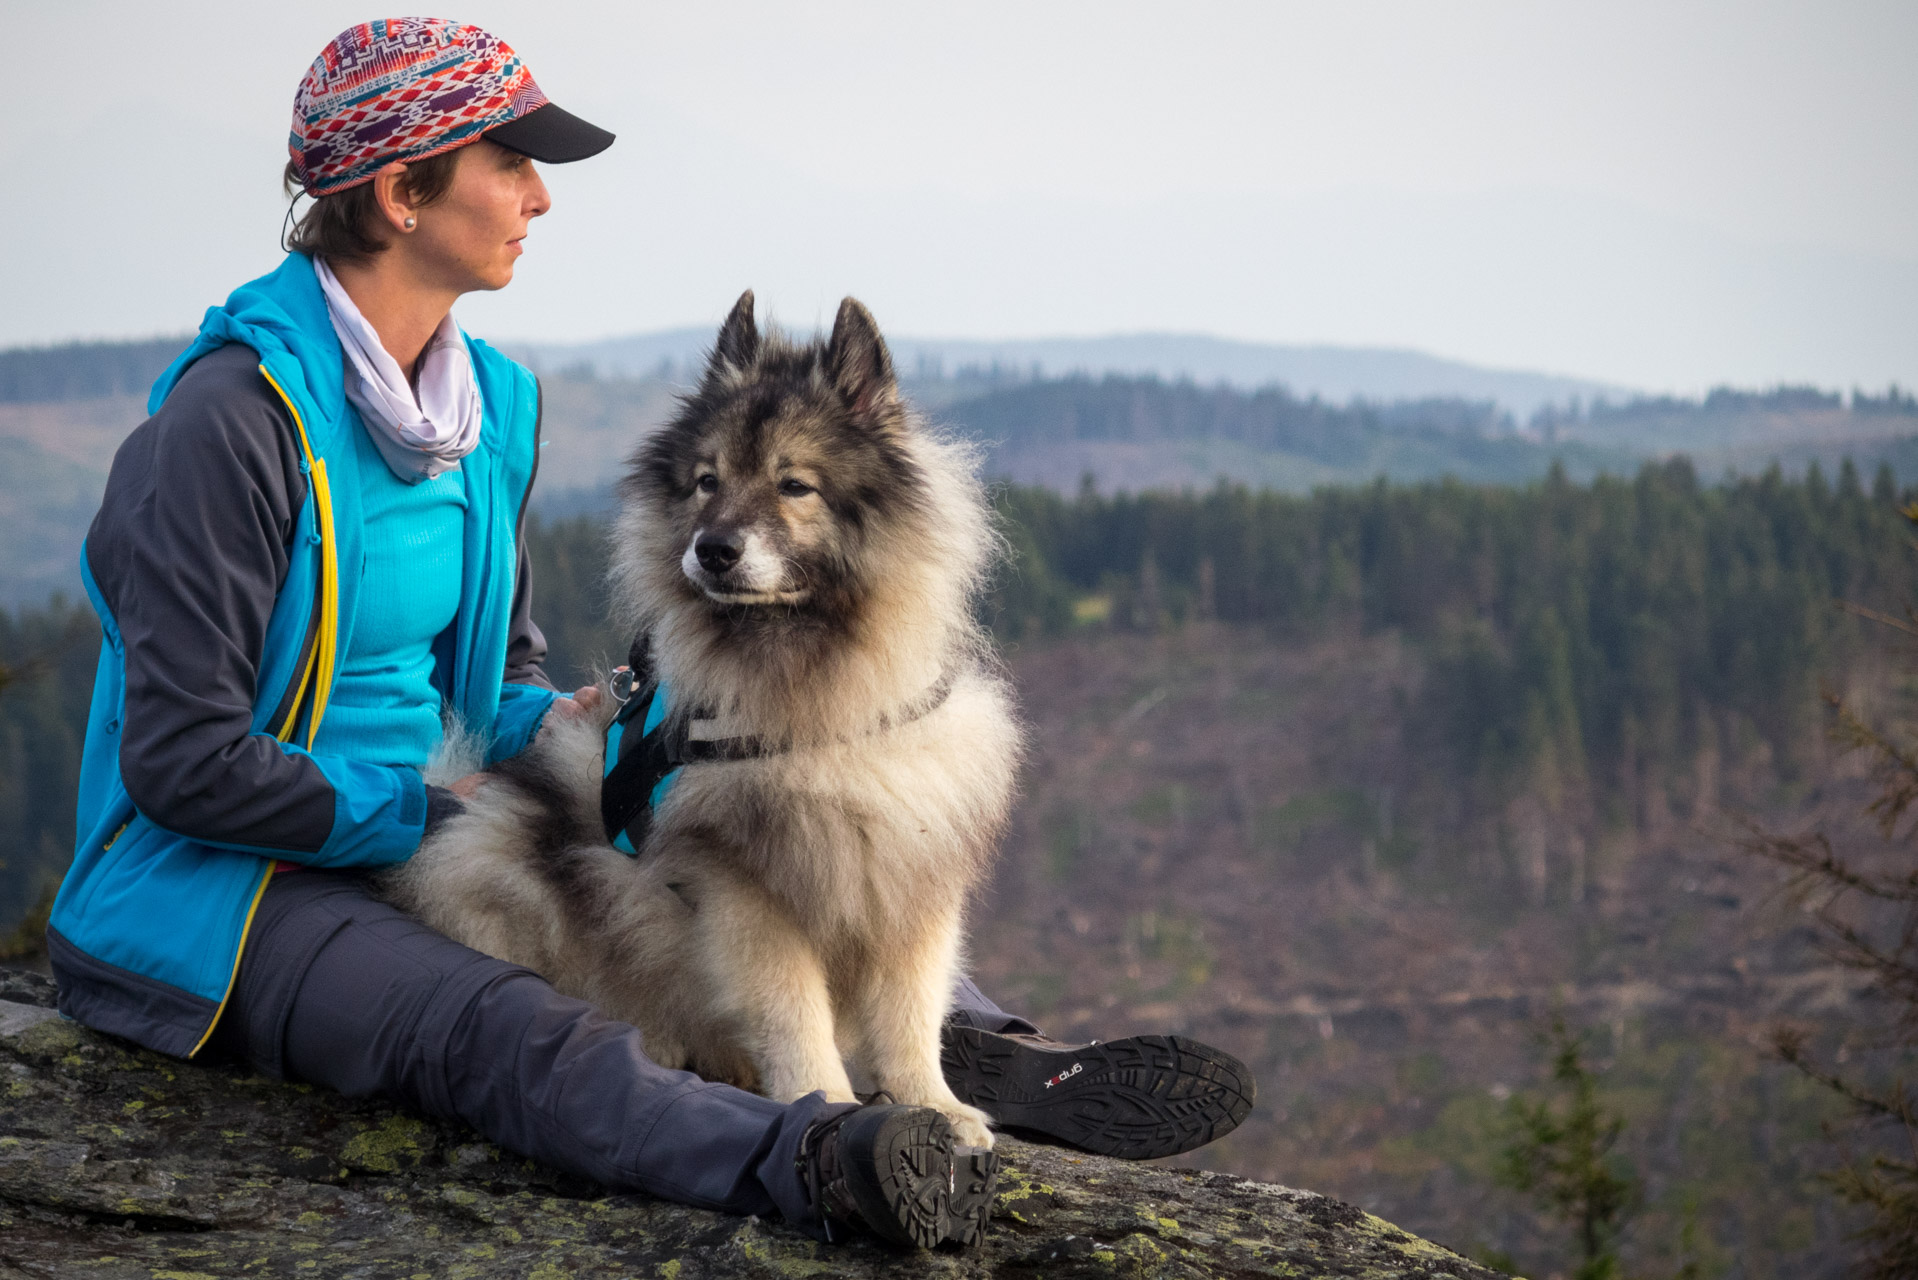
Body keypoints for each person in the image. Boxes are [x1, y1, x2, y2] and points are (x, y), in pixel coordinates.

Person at [47, 18, 1250, 1251]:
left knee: (765, 870)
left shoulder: (483, 406)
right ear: (402, 191)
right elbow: (181, 765)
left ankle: (971, 1050)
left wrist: (572, 725)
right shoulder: (227, 426)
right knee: (502, 1025)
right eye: (508, 161)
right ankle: (818, 1151)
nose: (539, 195)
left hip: (429, 820)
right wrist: (426, 811)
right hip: (233, 885)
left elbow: (491, 668)